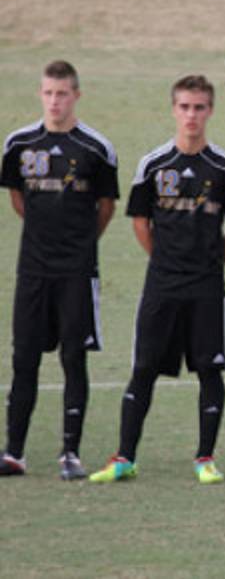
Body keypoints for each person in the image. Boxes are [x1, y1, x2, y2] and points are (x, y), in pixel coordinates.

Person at [89, 75, 225, 485]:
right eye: (185, 107)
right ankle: (125, 457)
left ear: (210, 111)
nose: (192, 115)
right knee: (144, 367)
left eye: (199, 107)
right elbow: (140, 221)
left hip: (206, 286)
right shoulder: (153, 164)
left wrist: (215, 262)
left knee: (209, 369)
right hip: (162, 284)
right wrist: (162, 259)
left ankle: (205, 458)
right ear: (174, 110)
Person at [0, 61, 118, 480]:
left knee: (73, 357)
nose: (55, 101)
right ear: (40, 94)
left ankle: (70, 453)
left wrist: (79, 242)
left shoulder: (96, 149)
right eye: (49, 93)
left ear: (76, 96)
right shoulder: (18, 144)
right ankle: (14, 452)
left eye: (63, 93)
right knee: (24, 358)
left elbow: (106, 207)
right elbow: (19, 199)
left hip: (76, 272)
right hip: (33, 270)